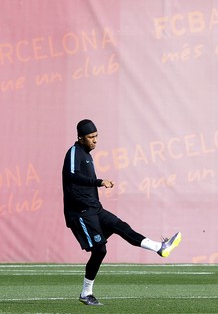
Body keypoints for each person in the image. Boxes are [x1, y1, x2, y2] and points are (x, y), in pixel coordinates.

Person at [62, 119, 182, 306]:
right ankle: (86, 294)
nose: (95, 140)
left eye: (96, 136)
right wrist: (99, 182)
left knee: (121, 226)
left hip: (95, 209)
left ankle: (160, 247)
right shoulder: (74, 152)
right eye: (91, 137)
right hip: (80, 213)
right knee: (100, 250)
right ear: (80, 137)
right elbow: (71, 175)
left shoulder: (86, 154)